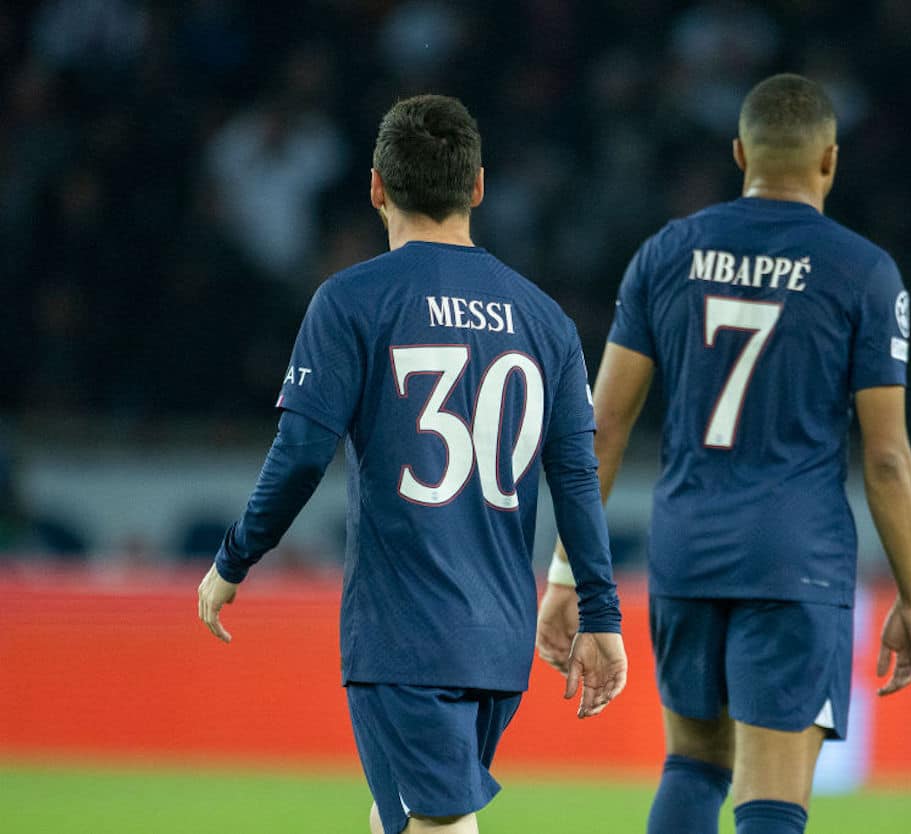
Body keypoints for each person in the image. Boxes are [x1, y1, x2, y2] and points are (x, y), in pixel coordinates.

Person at [197, 94, 628, 834]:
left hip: (405, 631)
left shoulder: (352, 302)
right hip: (499, 635)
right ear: (479, 187)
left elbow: (301, 454)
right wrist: (600, 611)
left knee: (439, 824)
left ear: (376, 187)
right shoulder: (545, 320)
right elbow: (577, 477)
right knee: (396, 811)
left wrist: (234, 559)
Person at [536, 74, 911, 834]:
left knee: (693, 765)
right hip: (795, 557)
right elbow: (886, 459)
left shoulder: (669, 251)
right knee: (771, 798)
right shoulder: (864, 272)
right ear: (830, 163)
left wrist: (564, 574)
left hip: (687, 547)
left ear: (741, 152)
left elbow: (604, 426)